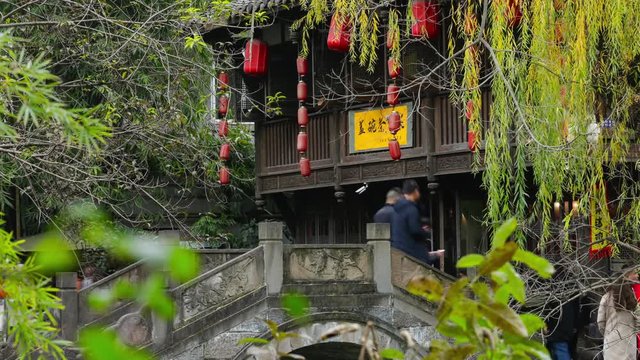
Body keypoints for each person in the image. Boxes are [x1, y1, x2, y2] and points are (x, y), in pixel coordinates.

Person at [391, 179, 438, 266]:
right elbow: (415, 230)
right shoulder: (411, 208)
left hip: (398, 250)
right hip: (411, 252)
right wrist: (425, 232)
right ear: (415, 191)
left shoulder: (396, 209)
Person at [597, 269, 640, 360]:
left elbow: (600, 322)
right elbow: (638, 321)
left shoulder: (606, 297)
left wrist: (607, 333)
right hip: (629, 343)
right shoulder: (632, 298)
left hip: (611, 342)